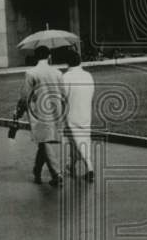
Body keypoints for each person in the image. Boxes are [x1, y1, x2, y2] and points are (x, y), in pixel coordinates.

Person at [16, 45, 65, 186]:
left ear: (36, 57)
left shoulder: (31, 73)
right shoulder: (57, 72)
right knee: (44, 142)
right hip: (55, 110)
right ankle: (37, 170)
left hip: (38, 112)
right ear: (49, 56)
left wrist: (19, 111)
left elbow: (25, 96)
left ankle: (56, 174)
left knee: (43, 141)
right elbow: (63, 94)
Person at [61, 48, 95, 182]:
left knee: (76, 141)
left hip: (71, 114)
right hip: (85, 112)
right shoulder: (88, 75)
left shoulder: (66, 77)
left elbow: (62, 97)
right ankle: (71, 165)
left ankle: (90, 168)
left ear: (67, 63)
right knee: (81, 140)